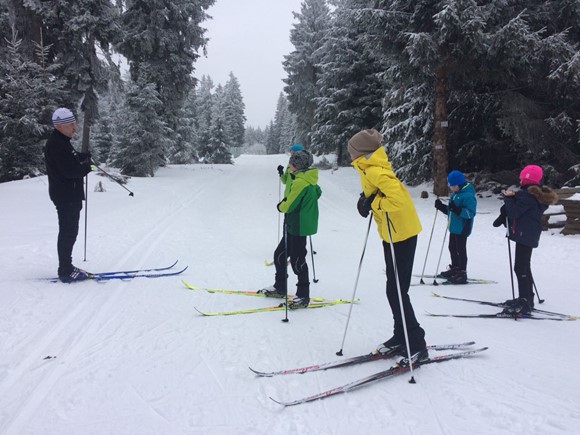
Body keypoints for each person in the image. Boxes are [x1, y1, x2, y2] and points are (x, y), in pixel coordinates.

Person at [348, 128, 427, 365]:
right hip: (393, 234)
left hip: (401, 234)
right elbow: (379, 196)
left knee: (397, 291)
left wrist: (373, 203)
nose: (349, 155)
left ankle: (416, 343)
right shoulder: (368, 168)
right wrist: (367, 200)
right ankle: (401, 336)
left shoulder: (374, 170)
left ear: (360, 152)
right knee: (393, 289)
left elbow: (398, 199)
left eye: (351, 151)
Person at [260, 150, 321, 308]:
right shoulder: (306, 179)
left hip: (299, 225)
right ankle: (280, 287)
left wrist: (281, 205)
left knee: (297, 260)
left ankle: (303, 295)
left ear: (297, 166)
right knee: (279, 255)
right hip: (294, 223)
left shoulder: (301, 182)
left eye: (291, 163)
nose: (289, 165)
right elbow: (318, 192)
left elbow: (289, 205)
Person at [493, 165, 558, 314]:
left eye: (522, 177)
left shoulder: (526, 196)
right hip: (529, 233)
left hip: (524, 234)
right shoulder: (536, 195)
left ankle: (524, 302)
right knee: (524, 266)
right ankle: (527, 298)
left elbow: (514, 212)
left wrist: (508, 199)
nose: (520, 180)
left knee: (520, 267)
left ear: (527, 179)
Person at [44, 107, 93, 283]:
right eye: (71, 124)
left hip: (70, 194)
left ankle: (67, 266)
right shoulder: (56, 144)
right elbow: (69, 171)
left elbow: (70, 159)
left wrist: (82, 157)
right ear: (59, 125)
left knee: (70, 231)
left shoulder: (62, 141)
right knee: (68, 232)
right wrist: (87, 167)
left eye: (74, 123)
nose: (74, 127)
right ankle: (65, 269)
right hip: (65, 195)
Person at [434, 170, 477, 284]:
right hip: (454, 227)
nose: (451, 188)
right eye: (450, 185)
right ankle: (455, 268)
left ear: (459, 184)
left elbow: (470, 213)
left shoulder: (468, 196)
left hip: (463, 228)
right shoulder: (456, 194)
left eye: (452, 186)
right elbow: (451, 211)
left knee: (460, 250)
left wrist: (457, 210)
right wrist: (441, 207)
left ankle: (462, 273)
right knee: (452, 248)